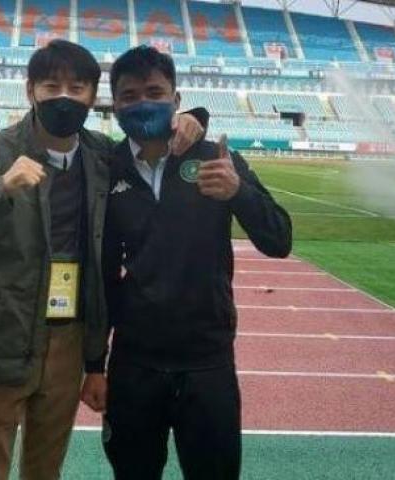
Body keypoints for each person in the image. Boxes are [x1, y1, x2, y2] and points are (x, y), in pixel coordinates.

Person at [0, 40, 207, 480]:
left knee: (45, 470)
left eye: (78, 87)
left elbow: (154, 145)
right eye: (51, 85)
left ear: (94, 97)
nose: (65, 97)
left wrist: (192, 119)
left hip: (68, 341)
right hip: (1, 336)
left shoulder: (101, 155)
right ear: (30, 90)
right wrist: (1, 186)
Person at [82, 46, 293, 479]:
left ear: (176, 100)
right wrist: (93, 365)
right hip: (134, 364)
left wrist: (239, 193)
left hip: (208, 361)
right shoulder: (109, 167)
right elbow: (102, 276)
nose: (143, 103)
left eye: (155, 92)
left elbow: (279, 239)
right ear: (115, 105)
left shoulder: (215, 156)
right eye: (129, 95)